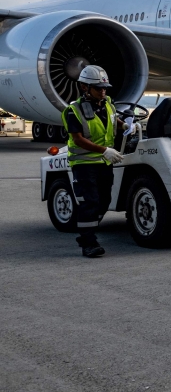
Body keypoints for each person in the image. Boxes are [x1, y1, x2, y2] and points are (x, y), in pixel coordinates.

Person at [61, 65, 125, 258]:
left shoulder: (107, 105)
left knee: (104, 201)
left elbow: (115, 122)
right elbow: (78, 139)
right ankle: (88, 242)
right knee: (90, 202)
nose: (103, 91)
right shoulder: (74, 111)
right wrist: (104, 150)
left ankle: (87, 230)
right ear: (84, 87)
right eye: (98, 88)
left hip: (104, 163)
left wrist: (127, 125)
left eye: (104, 88)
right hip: (84, 163)